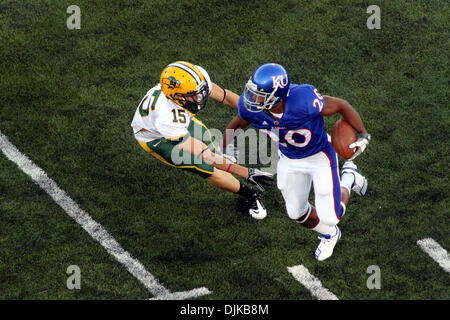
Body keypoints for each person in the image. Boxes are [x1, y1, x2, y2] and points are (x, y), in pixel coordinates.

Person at [221, 63, 371, 261]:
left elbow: (341, 105)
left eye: (259, 95)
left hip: (319, 156)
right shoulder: (252, 110)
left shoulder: (304, 100)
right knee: (296, 213)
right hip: (290, 159)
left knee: (332, 217)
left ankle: (349, 178)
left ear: (276, 96)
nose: (251, 99)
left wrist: (363, 134)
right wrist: (222, 147)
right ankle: (330, 234)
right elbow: (239, 121)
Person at [131, 61, 273, 219]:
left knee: (212, 146)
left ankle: (225, 160)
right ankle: (251, 195)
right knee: (207, 168)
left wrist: (257, 114)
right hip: (158, 139)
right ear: (175, 96)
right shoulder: (167, 118)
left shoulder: (194, 81)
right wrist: (247, 173)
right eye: (192, 95)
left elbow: (225, 97)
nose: (199, 97)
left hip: (177, 123)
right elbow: (205, 156)